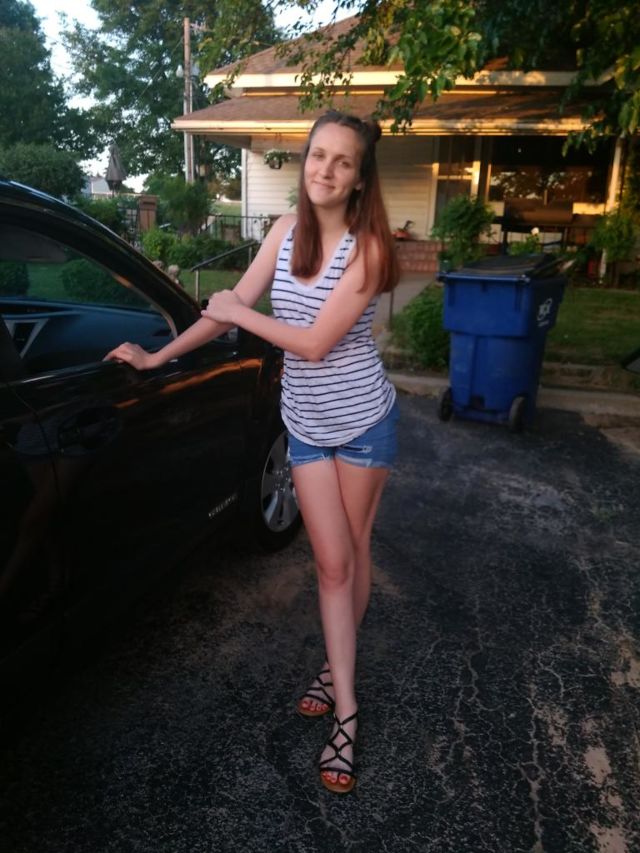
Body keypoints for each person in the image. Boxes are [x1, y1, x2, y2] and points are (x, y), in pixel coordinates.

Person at [106, 110, 400, 794]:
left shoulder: (369, 250)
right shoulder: (284, 231)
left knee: (353, 551)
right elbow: (227, 305)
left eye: (343, 161)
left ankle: (344, 705)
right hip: (305, 423)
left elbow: (313, 343)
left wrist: (241, 313)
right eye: (318, 155)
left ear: (360, 179)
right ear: (306, 161)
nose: (326, 169)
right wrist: (156, 357)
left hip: (363, 422)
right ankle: (340, 676)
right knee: (329, 563)